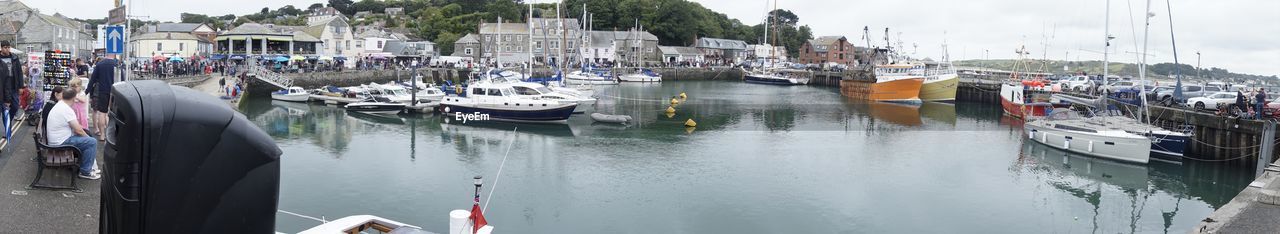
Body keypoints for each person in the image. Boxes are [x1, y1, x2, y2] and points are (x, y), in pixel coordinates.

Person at [47, 88, 99, 180]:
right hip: (60, 143)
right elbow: (78, 130)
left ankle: (89, 166)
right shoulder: (66, 109)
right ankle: (85, 172)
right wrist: (87, 137)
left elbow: (77, 128)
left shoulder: (60, 105)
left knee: (87, 136)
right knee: (92, 142)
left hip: (56, 140)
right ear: (74, 98)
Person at [87, 55, 117, 141]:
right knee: (113, 114)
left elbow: (92, 80)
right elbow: (121, 78)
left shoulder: (99, 65)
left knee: (102, 113)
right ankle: (111, 135)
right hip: (115, 91)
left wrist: (86, 91)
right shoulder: (116, 64)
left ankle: (102, 135)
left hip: (102, 91)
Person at [0, 41, 23, 126]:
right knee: (4, 109)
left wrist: (21, 86)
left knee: (15, 106)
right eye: (5, 47)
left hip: (13, 85)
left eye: (8, 47)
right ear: (1, 48)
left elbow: (19, 72)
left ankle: (8, 119)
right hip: (2, 87)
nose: (7, 49)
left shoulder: (14, 57)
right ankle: (7, 127)